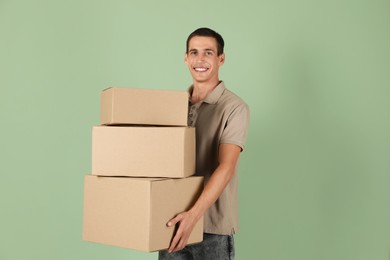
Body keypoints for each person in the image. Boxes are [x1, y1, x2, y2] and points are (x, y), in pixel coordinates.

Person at [159, 27, 250, 260]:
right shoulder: (174, 107)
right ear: (186, 58)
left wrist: (193, 216)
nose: (200, 59)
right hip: (173, 221)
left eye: (208, 53)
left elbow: (226, 167)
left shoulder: (234, 108)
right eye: (194, 52)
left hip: (212, 229)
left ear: (221, 58)